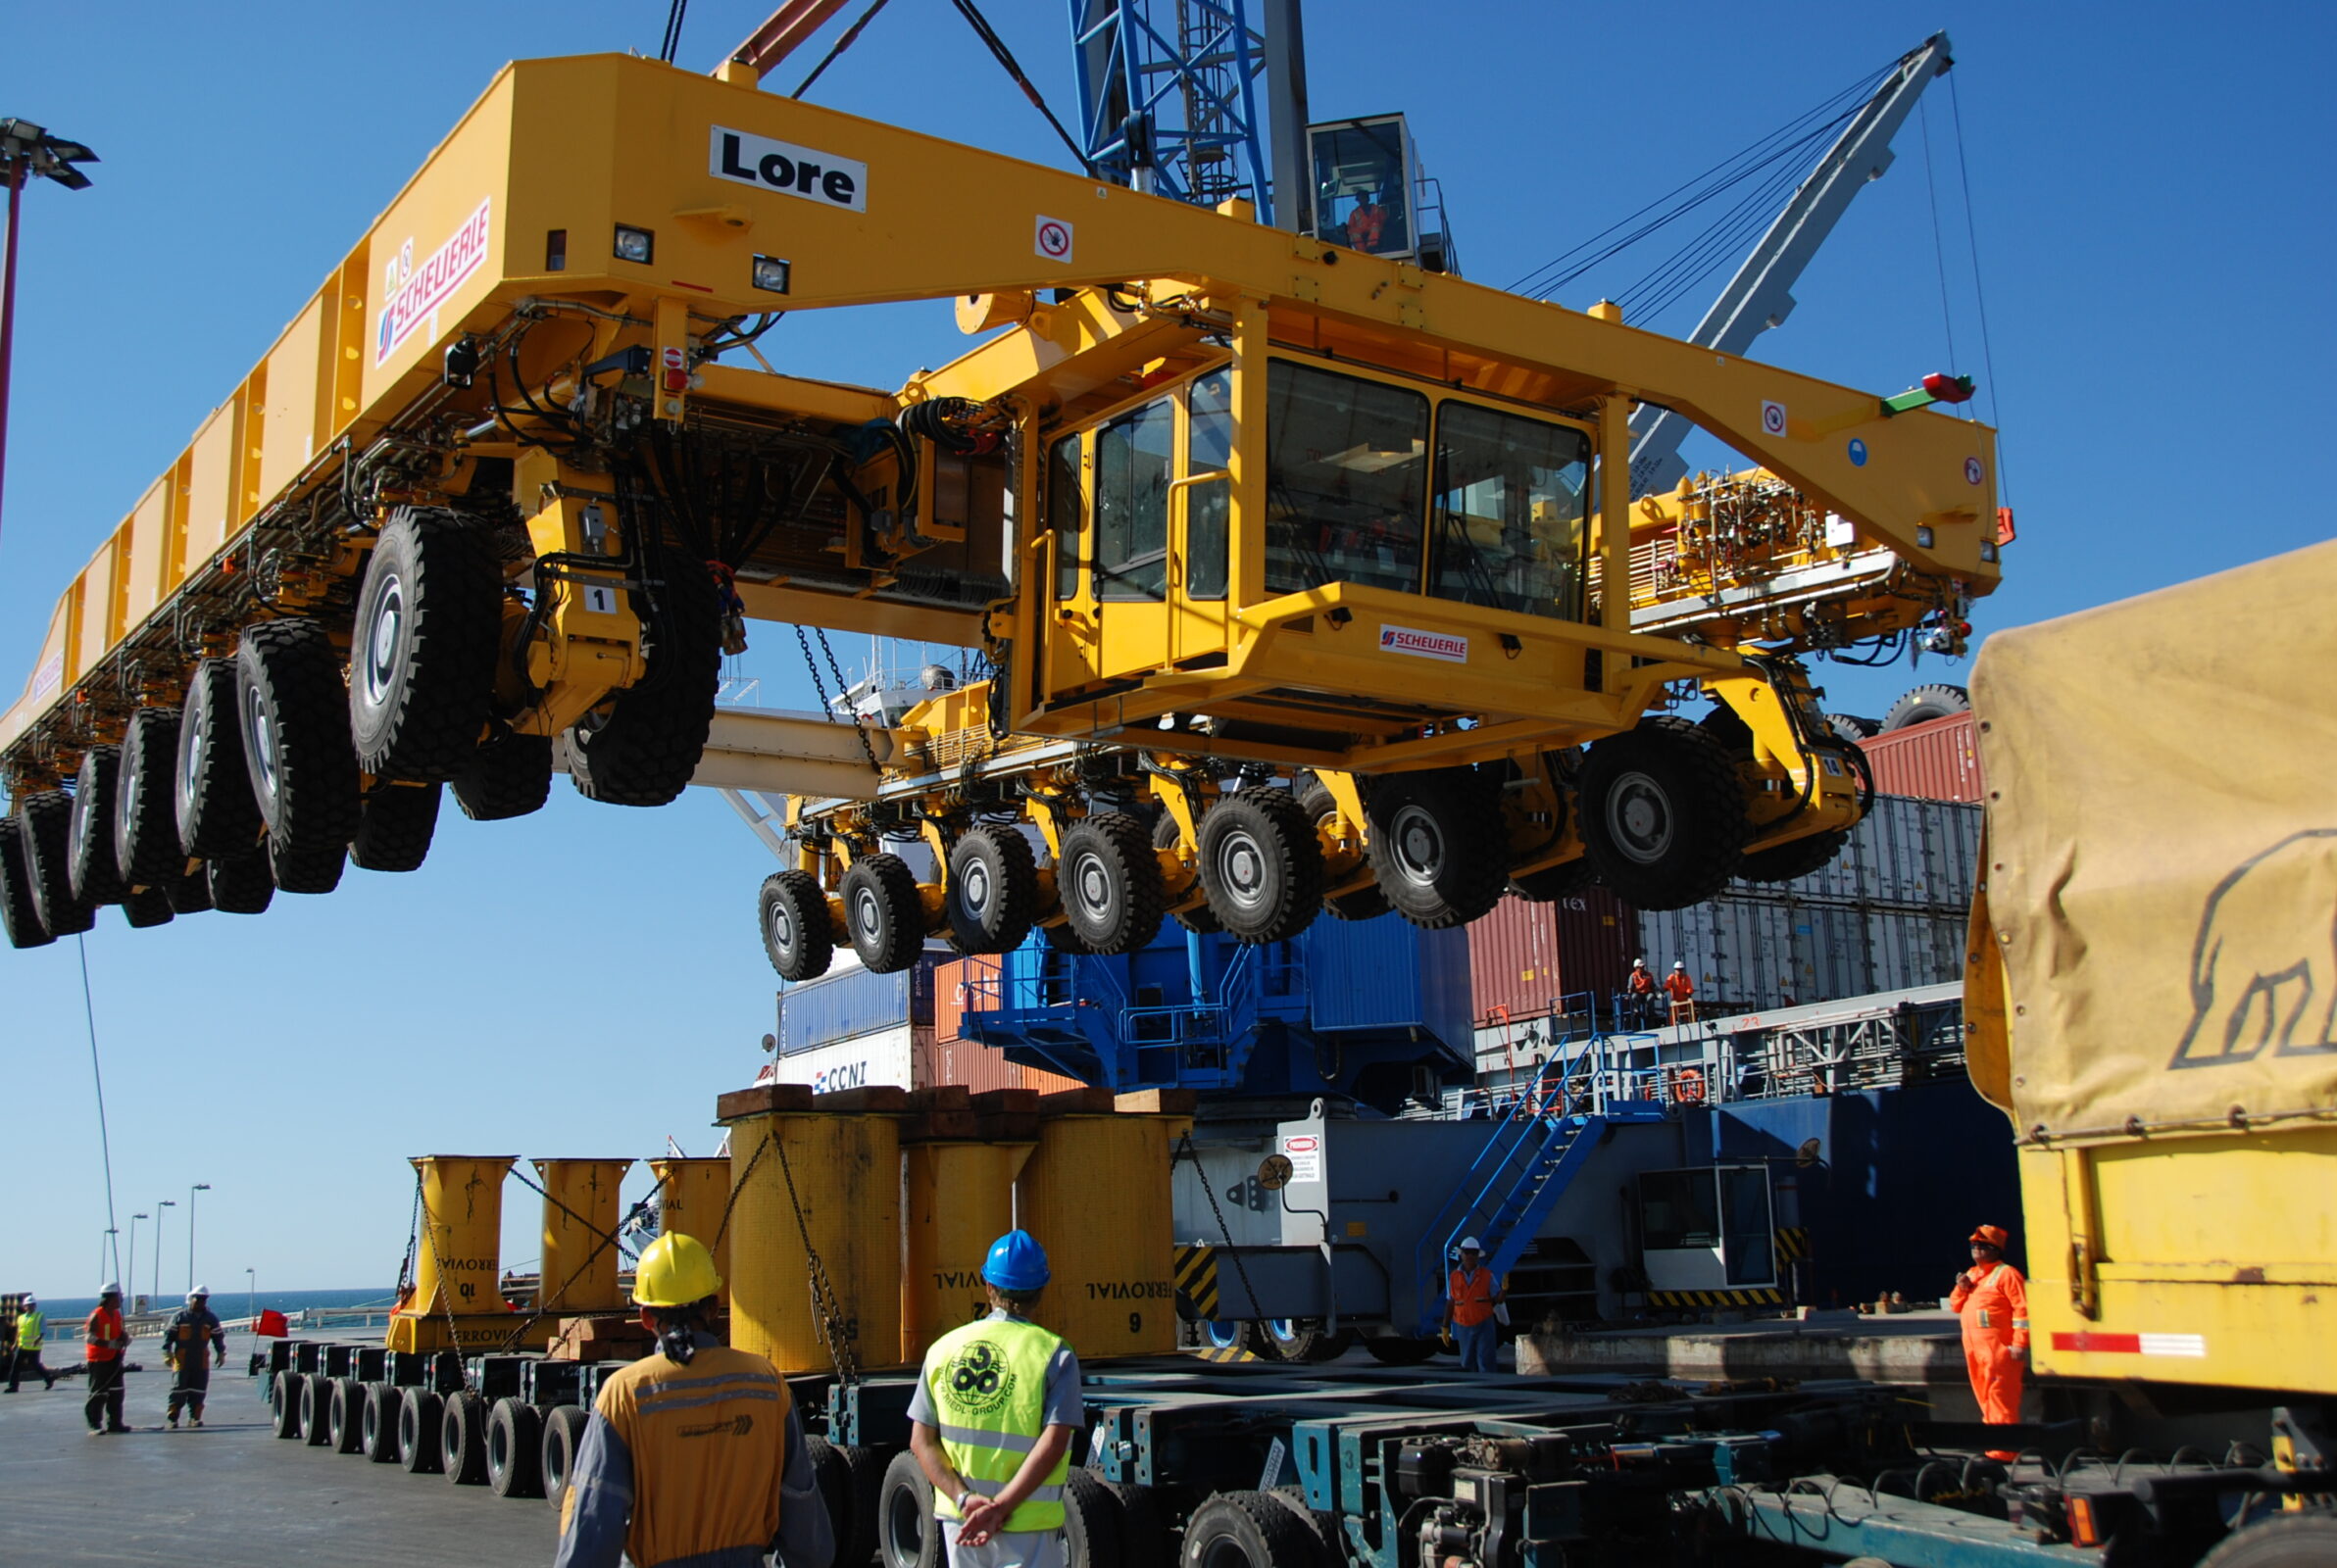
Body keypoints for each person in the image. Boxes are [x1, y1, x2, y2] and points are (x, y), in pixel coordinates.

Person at [556, 1233, 831, 1568]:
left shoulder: (626, 1395)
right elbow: (803, 1516)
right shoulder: (766, 1384)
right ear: (714, 1307)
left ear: (645, 1318)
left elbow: (593, 1523)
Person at [910, 1230, 1083, 1568]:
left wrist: (964, 1500)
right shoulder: (1054, 1355)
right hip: (1027, 1526)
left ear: (988, 1286)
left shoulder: (942, 1350)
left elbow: (921, 1441)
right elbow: (1054, 1444)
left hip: (962, 1523)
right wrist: (1000, 1507)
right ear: (1040, 1292)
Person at [1949, 1223, 2029, 1462]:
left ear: (1995, 1250)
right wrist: (1962, 1289)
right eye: (1974, 1245)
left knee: (2000, 1397)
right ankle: (1995, 1445)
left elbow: (2022, 1310)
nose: (1976, 1249)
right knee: (1985, 1397)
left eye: (1982, 1246)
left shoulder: (2007, 1274)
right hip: (1974, 1349)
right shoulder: (1972, 1275)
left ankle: (2003, 1451)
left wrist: (2019, 1343)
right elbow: (1955, 1305)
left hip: (1998, 1349)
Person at [161, 1286, 226, 1428]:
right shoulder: (179, 1317)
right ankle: (172, 1418)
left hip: (201, 1359)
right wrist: (167, 1352)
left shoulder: (210, 1318)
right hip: (182, 1358)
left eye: (204, 1300)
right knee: (178, 1389)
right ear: (191, 1299)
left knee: (199, 1390)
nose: (201, 1302)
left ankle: (194, 1418)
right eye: (198, 1299)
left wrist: (220, 1353)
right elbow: (169, 1336)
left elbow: (217, 1337)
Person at [1441, 1237, 1506, 1373]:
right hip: (1463, 1324)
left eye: (1473, 1253)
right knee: (1466, 1362)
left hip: (1484, 1323)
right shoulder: (1454, 1277)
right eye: (1467, 1252)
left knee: (1486, 1362)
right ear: (1461, 1254)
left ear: (1478, 1256)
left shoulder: (1487, 1275)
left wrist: (1504, 1290)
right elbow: (1450, 1301)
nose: (1470, 1256)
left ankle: (1488, 1390)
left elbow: (1498, 1299)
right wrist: (1445, 1326)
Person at [84, 1283, 131, 1435]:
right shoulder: (97, 1315)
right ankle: (94, 1425)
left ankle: (115, 1423)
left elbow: (118, 1331)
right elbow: (89, 1337)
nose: (121, 1299)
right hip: (99, 1361)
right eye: (119, 1296)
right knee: (99, 1393)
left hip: (115, 1359)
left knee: (117, 1392)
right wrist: (109, 1344)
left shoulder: (117, 1315)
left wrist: (124, 1337)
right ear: (111, 1298)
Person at [4, 1297, 49, 1391]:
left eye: (32, 1305)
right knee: (16, 1366)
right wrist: (15, 1344)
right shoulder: (21, 1318)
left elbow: (43, 1329)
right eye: (28, 1305)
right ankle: (13, 1386)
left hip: (34, 1346)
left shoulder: (39, 1316)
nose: (30, 1307)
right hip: (22, 1346)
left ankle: (48, 1378)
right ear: (24, 1307)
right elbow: (19, 1332)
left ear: (35, 1306)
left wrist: (38, 1338)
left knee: (35, 1364)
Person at [1623, 957, 1659, 1028]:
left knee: (1651, 996)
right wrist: (1629, 995)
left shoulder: (1649, 975)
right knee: (1634, 997)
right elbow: (1630, 988)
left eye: (1643, 967)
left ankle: (1650, 1014)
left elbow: (1653, 986)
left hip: (1647, 993)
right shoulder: (1633, 976)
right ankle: (1636, 1011)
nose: (1642, 968)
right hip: (1638, 994)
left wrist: (1658, 993)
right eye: (1640, 967)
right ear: (1636, 968)